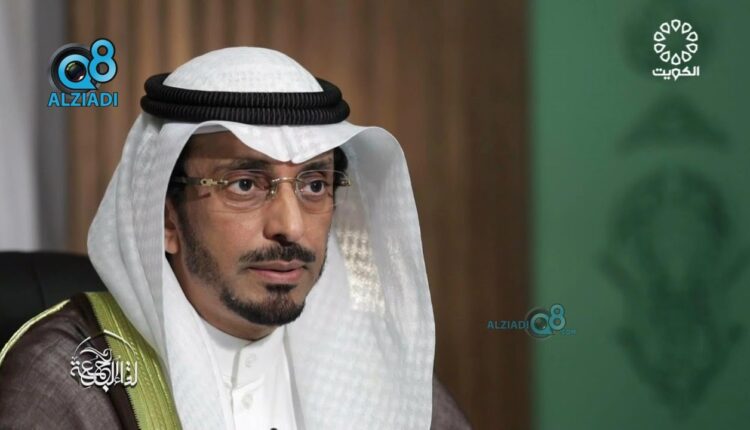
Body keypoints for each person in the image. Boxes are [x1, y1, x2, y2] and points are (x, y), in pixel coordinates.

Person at [0, 47, 470, 429]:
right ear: (164, 218)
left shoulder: (373, 359)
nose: (291, 226)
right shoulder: (74, 377)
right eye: (245, 184)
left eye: (313, 185)